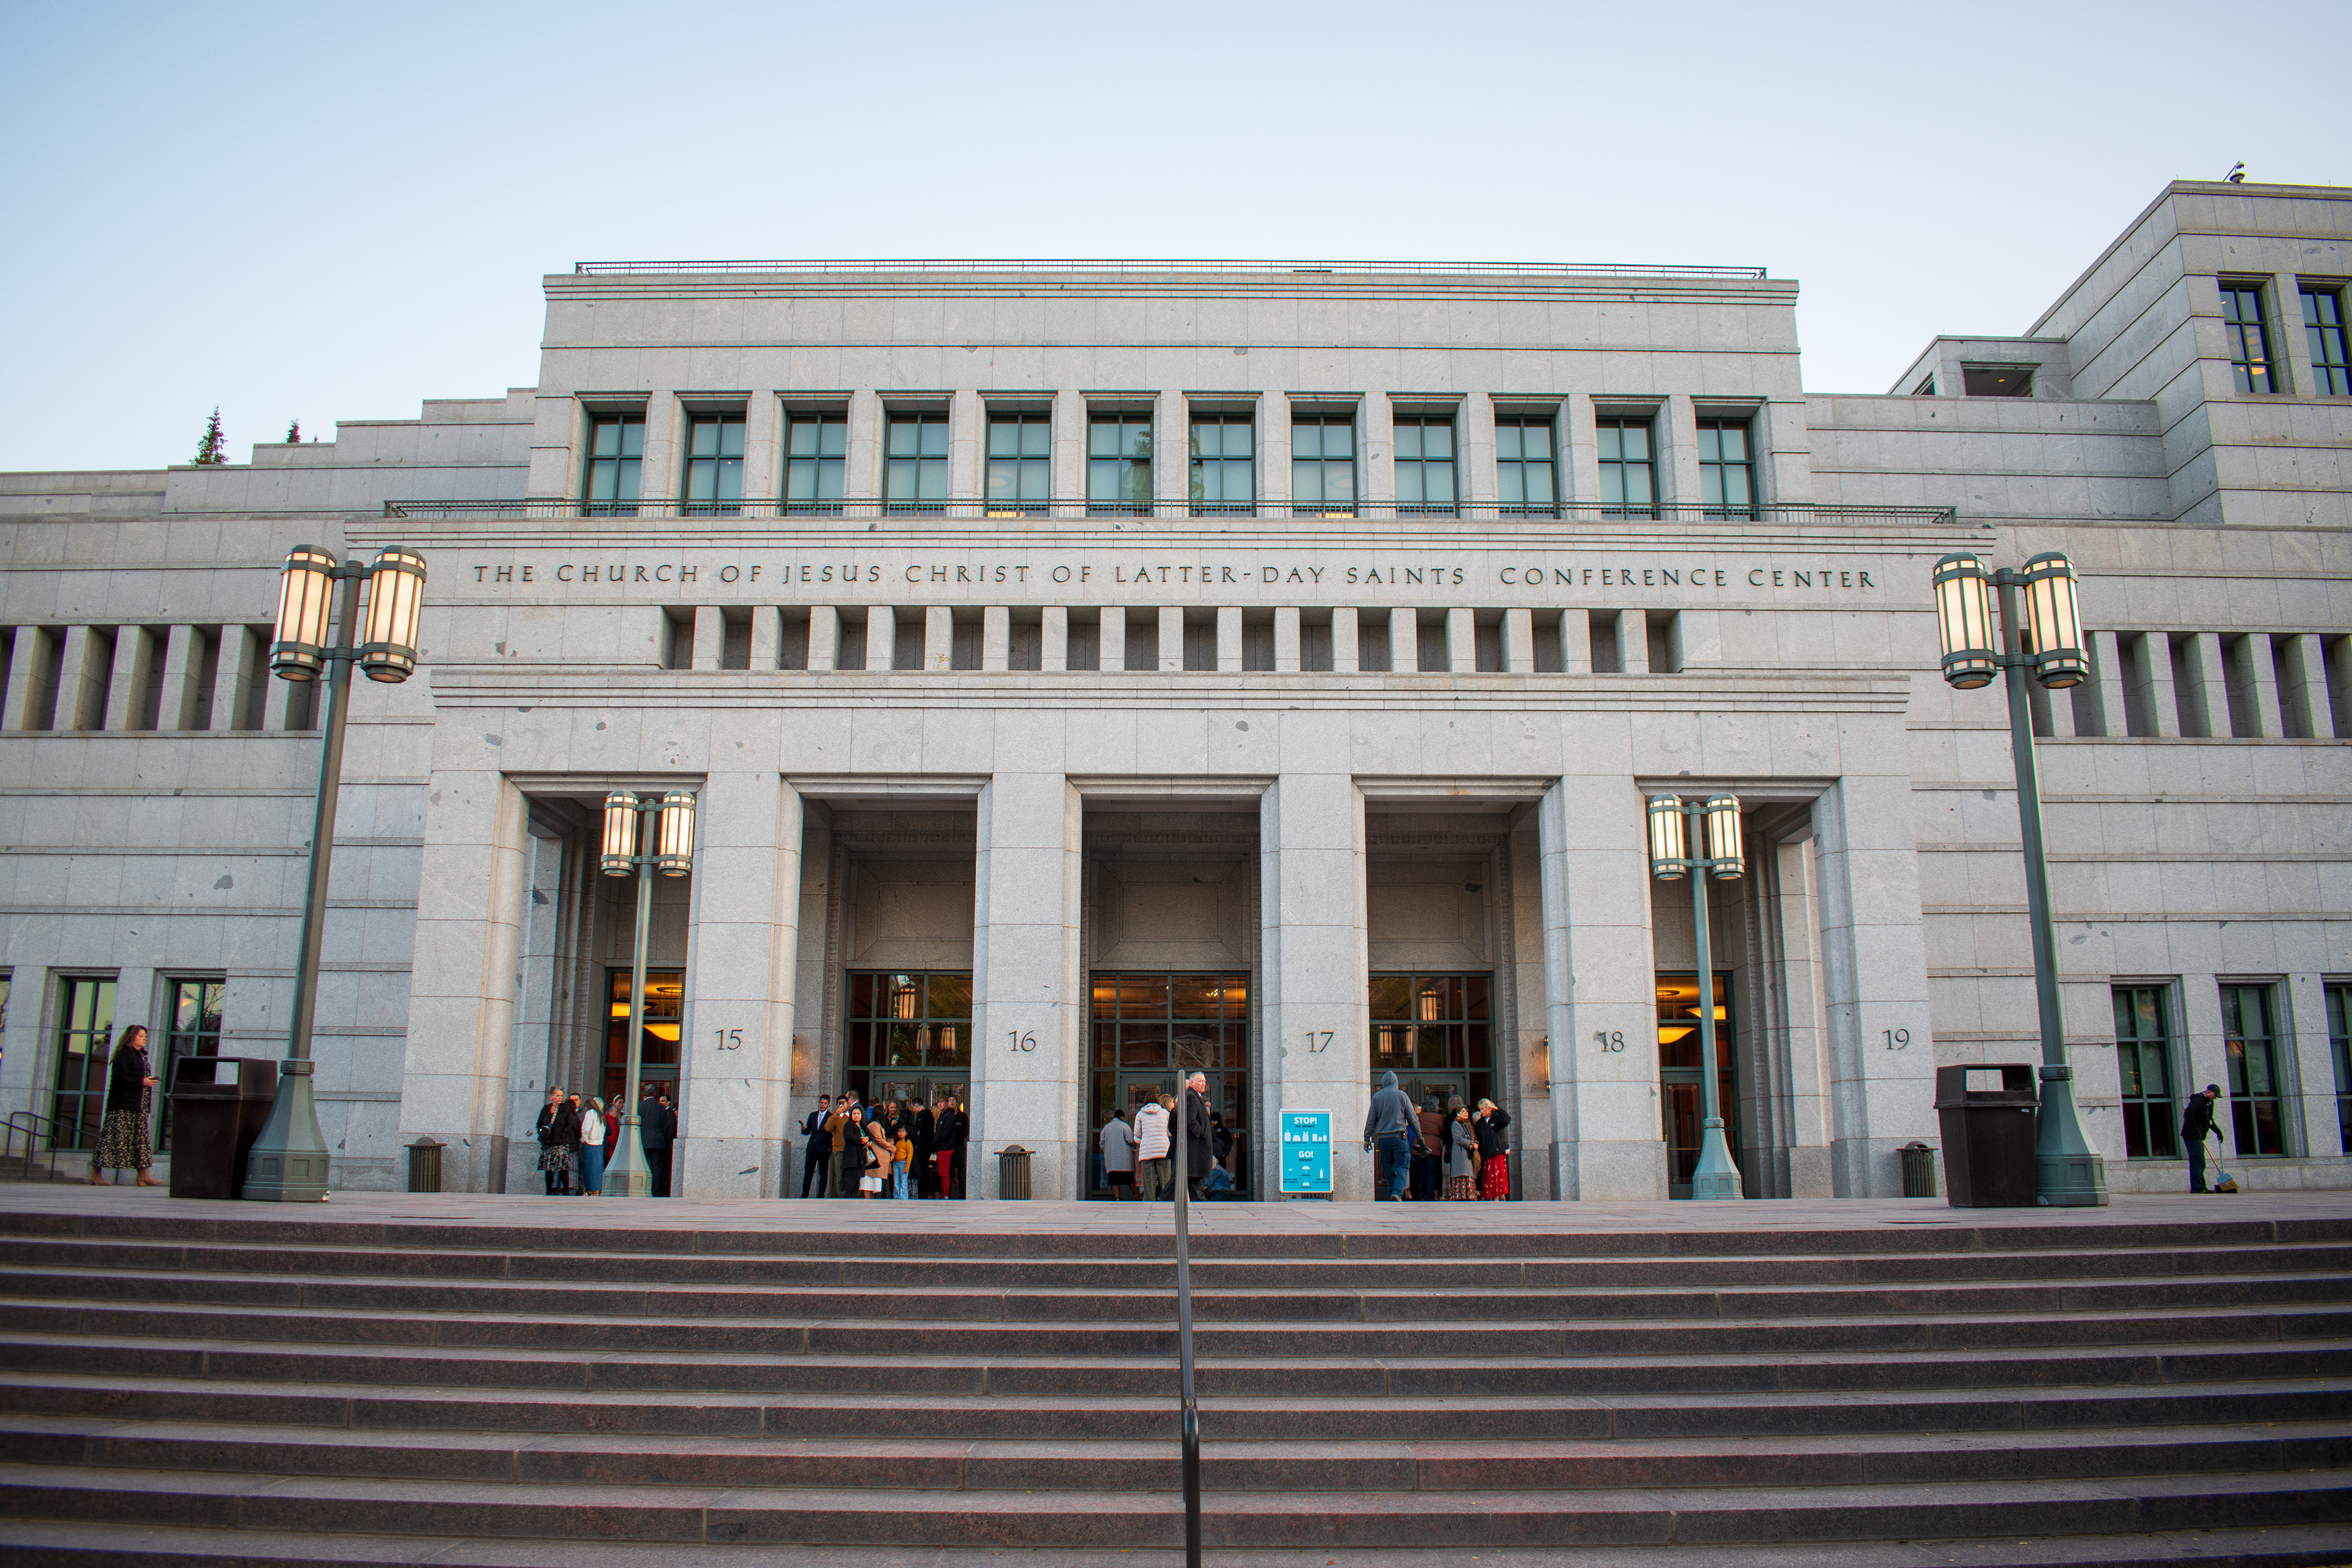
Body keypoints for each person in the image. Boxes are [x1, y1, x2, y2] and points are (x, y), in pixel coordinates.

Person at [89, 1026, 161, 1186]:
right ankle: (95, 1174)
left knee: (141, 1142)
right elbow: (119, 1078)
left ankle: (144, 1176)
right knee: (110, 1142)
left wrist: (147, 1081)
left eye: (145, 1036)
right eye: (141, 1036)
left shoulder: (141, 1056)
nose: (145, 1039)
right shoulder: (124, 1055)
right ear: (132, 1038)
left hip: (139, 1106)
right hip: (122, 1107)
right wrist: (142, 1082)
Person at [1363, 1069, 1415, 1201]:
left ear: (1383, 1083)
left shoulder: (1377, 1097)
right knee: (1402, 1166)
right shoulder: (1402, 1096)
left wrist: (1367, 1138)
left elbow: (1371, 1120)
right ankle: (1397, 1192)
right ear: (1396, 1082)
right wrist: (1419, 1136)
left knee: (1388, 1167)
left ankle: (1393, 1192)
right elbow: (1413, 1118)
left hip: (1383, 1139)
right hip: (1399, 1137)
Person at [2182, 1084, 2225, 1193]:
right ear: (2209, 1092)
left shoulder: (2209, 1104)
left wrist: (2218, 1132)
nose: (2214, 1098)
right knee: (2198, 1161)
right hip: (2192, 1135)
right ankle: (2199, 1188)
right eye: (2214, 1095)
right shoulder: (2198, 1101)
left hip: (2199, 1135)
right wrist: (2196, 1131)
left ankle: (2200, 1187)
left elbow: (2210, 1121)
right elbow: (2188, 1115)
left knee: (2200, 1161)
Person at [1135, 1092, 1173, 1202]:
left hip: (1147, 1152)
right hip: (1163, 1151)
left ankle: (1149, 1207)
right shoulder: (1165, 1113)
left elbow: (1137, 1134)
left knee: (1149, 1186)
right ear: (1158, 1100)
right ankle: (1166, 1205)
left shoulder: (1140, 1114)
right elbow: (1170, 1132)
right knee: (1165, 1183)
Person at [639, 1087, 676, 1197]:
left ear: (644, 1094)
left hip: (643, 1142)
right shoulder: (661, 1108)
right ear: (655, 1094)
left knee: (643, 1167)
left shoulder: (639, 1107)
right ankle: (656, 1192)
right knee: (657, 1169)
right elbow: (666, 1126)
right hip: (658, 1143)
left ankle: (643, 1190)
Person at [1183, 1072, 1213, 1202]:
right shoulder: (1191, 1096)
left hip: (1199, 1146)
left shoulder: (1196, 1096)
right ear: (1192, 1083)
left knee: (1196, 1180)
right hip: (1196, 1147)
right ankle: (1200, 1203)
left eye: (1205, 1081)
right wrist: (1201, 1134)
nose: (1203, 1084)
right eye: (1200, 1081)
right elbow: (1191, 1119)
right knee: (1194, 1181)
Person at [1474, 1097, 1512, 1200]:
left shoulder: (1497, 1118)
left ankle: (1500, 1196)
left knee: (1498, 1175)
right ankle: (1490, 1196)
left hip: (1497, 1151)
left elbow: (1507, 1119)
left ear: (1489, 1109)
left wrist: (1496, 1108)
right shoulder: (1480, 1123)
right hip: (1487, 1153)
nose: (1481, 1112)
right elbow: (1479, 1138)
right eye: (1480, 1109)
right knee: (1489, 1176)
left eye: (1483, 1109)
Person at [1413, 1093, 1446, 1201]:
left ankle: (1423, 1195)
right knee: (1431, 1173)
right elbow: (1441, 1132)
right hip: (1433, 1148)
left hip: (1419, 1146)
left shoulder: (1418, 1116)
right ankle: (1430, 1196)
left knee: (1422, 1173)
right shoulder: (1439, 1117)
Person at [830, 1095, 864, 1199]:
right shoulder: (838, 1118)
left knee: (854, 1176)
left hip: (856, 1153)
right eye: (840, 1103)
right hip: (840, 1149)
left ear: (848, 1104)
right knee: (841, 1175)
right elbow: (827, 1128)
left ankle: (855, 1195)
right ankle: (842, 1195)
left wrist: (867, 1139)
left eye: (844, 1103)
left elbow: (867, 1134)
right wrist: (836, 1114)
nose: (842, 1105)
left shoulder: (856, 1121)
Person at [534, 1088, 566, 1196]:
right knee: (548, 1168)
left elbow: (570, 1124)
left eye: (561, 1096)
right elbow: (539, 1123)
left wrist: (563, 1135)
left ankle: (564, 1190)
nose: (560, 1098)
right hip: (548, 1142)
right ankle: (548, 1190)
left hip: (560, 1142)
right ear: (551, 1097)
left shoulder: (564, 1109)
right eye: (557, 1096)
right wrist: (541, 1131)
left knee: (562, 1167)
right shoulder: (546, 1109)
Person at [799, 1095, 832, 1198]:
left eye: (825, 1103)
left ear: (829, 1104)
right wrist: (804, 1128)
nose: (823, 1105)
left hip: (824, 1148)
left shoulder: (831, 1117)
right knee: (808, 1171)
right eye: (822, 1103)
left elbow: (832, 1133)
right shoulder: (813, 1115)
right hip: (812, 1147)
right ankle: (805, 1194)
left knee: (823, 1172)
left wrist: (830, 1147)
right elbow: (808, 1131)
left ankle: (821, 1194)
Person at [548, 1092, 581, 1196]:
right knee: (568, 1168)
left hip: (562, 1145)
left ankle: (556, 1187)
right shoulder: (574, 1117)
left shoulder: (562, 1115)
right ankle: (568, 1188)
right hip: (570, 1146)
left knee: (558, 1168)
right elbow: (577, 1131)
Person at [1100, 1109, 1137, 1199]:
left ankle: (1117, 1197)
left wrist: (1108, 1150)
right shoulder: (1125, 1126)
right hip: (1124, 1158)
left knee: (1114, 1179)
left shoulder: (1107, 1127)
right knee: (1129, 1179)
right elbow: (1131, 1140)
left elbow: (1102, 1143)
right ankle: (1136, 1195)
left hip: (1112, 1159)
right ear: (1122, 1117)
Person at [1446, 1099, 1479, 1202]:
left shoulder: (1469, 1125)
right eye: (1463, 1112)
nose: (1466, 1113)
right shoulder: (1456, 1124)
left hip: (1469, 1153)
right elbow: (1458, 1139)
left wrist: (1476, 1144)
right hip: (1461, 1153)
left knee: (1468, 1173)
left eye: (1467, 1112)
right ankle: (1460, 1194)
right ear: (1459, 1113)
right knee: (1462, 1173)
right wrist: (1471, 1144)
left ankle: (1469, 1195)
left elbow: (1474, 1137)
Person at [930, 1094, 963, 1199]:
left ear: (947, 1104)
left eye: (942, 1102)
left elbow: (945, 1133)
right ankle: (943, 1194)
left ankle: (945, 1195)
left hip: (945, 1148)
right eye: (938, 1102)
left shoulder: (948, 1116)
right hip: (942, 1147)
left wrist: (936, 1142)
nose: (940, 1104)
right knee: (941, 1173)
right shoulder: (943, 1116)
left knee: (944, 1173)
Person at [577, 1094, 606, 1196]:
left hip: (590, 1143)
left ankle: (589, 1189)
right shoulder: (601, 1115)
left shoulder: (591, 1113)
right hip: (599, 1144)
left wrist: (584, 1139)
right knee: (597, 1169)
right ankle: (596, 1190)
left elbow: (586, 1128)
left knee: (589, 1169)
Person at [861, 1107, 893, 1199]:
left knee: (876, 1187)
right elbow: (879, 1139)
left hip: (879, 1161)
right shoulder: (874, 1124)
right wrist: (892, 1148)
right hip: (875, 1160)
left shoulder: (879, 1124)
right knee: (870, 1186)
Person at [910, 1095, 936, 1198]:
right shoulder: (930, 1115)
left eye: (913, 1108)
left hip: (923, 1147)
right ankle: (926, 1192)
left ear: (916, 1106)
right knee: (926, 1170)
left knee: (922, 1170)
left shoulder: (921, 1115)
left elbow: (919, 1132)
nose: (914, 1111)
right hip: (928, 1146)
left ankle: (923, 1193)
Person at [891, 1107, 915, 1199]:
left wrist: (907, 1167)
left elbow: (910, 1155)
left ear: (906, 1133)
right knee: (896, 1182)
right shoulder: (896, 1142)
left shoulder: (908, 1142)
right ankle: (896, 1197)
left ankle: (904, 1197)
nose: (901, 1134)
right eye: (899, 1132)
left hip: (904, 1163)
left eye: (903, 1132)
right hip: (896, 1163)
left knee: (904, 1182)